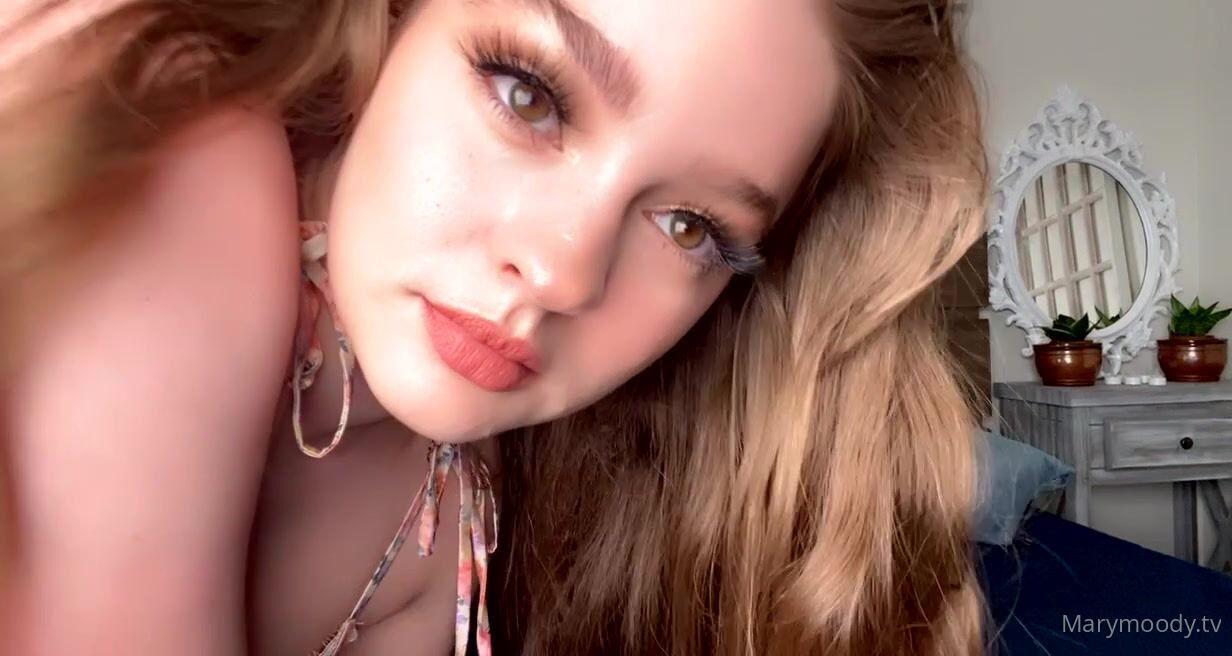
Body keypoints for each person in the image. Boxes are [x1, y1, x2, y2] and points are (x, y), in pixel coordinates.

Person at [0, 0, 987, 654]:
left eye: (690, 227)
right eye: (530, 95)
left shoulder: (446, 523)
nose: (562, 273)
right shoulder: (182, 158)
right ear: (393, 18)